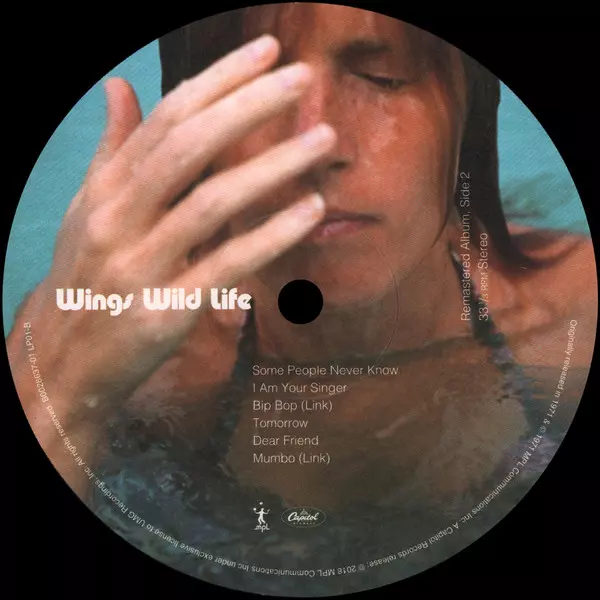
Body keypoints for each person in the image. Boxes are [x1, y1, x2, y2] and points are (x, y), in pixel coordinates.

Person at [7, 4, 596, 595]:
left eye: (382, 77)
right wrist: (60, 387)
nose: (316, 143)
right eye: (256, 90)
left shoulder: (579, 314)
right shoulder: (103, 344)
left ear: (471, 113)